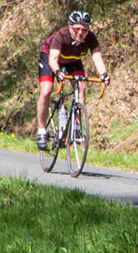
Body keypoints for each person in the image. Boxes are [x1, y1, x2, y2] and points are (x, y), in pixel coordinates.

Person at [34, 11, 110, 150]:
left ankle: (76, 127)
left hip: (72, 61)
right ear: (70, 27)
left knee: (81, 87)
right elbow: (53, 59)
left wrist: (104, 74)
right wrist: (57, 72)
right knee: (46, 90)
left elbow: (97, 58)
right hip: (50, 57)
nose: (81, 32)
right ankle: (41, 131)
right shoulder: (61, 35)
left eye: (84, 29)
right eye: (77, 29)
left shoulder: (91, 38)